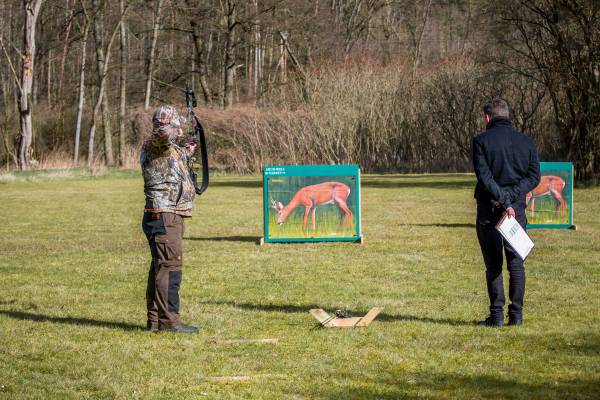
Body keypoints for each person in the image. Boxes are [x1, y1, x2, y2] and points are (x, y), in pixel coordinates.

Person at [472, 97, 540, 327]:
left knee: (493, 263)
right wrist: (512, 199)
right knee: (516, 263)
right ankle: (517, 315)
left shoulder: (481, 141)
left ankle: (497, 315)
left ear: (487, 117)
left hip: (490, 208)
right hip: (516, 210)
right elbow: (534, 177)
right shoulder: (526, 142)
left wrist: (502, 199)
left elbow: (485, 176)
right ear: (507, 115)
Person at [140, 105, 199, 334]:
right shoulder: (156, 143)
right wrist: (174, 126)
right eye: (175, 125)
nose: (179, 129)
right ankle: (169, 322)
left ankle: (155, 320)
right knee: (170, 267)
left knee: (160, 267)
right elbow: (162, 138)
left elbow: (175, 157)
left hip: (167, 215)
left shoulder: (169, 149)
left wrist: (188, 147)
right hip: (164, 215)